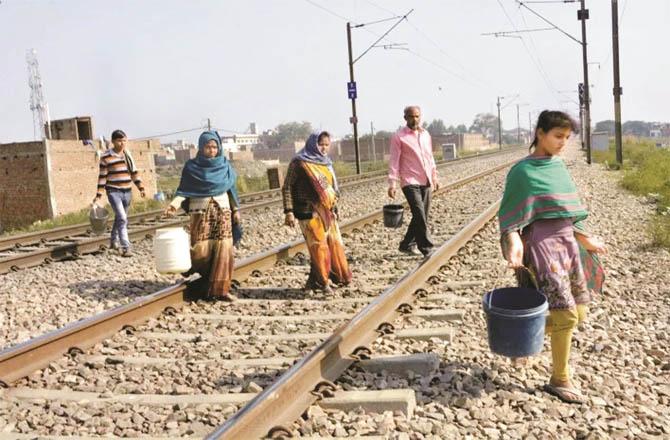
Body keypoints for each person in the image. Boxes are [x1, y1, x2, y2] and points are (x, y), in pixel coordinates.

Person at [499, 110, 606, 404]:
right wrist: (513, 242)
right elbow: (508, 217)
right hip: (542, 245)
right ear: (540, 133)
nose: (562, 143)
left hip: (568, 243)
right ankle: (559, 379)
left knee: (579, 311)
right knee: (565, 314)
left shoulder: (558, 167)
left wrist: (587, 239)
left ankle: (520, 336)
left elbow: (569, 212)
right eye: (558, 136)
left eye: (566, 138)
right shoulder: (522, 171)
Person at [164, 130, 241, 301]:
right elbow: (184, 189)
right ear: (201, 147)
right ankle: (201, 277)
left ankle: (221, 289)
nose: (211, 151)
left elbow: (231, 190)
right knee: (200, 251)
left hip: (222, 214)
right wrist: (174, 205)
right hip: (200, 214)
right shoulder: (192, 167)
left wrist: (236, 210)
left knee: (224, 251)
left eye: (214, 147)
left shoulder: (225, 166)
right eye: (207, 147)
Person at [282, 131, 352, 293]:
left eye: (327, 144)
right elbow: (287, 187)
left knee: (329, 245)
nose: (324, 148)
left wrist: (335, 208)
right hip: (307, 211)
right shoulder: (299, 162)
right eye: (321, 144)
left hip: (326, 211)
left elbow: (331, 189)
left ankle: (317, 280)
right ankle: (323, 282)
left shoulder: (326, 163)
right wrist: (289, 211)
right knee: (318, 246)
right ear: (313, 144)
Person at [388, 105, 439, 257]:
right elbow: (394, 161)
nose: (414, 119)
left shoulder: (425, 135)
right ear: (405, 118)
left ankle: (407, 244)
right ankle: (427, 248)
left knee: (422, 214)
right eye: (411, 116)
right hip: (409, 181)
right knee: (419, 213)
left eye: (417, 116)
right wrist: (392, 183)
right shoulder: (399, 137)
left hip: (426, 179)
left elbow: (430, 158)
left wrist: (435, 177)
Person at [93, 129, 145, 257]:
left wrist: (141, 188)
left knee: (120, 218)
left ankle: (113, 241)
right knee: (122, 218)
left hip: (127, 191)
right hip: (113, 191)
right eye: (119, 141)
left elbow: (134, 173)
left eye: (124, 140)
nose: (122, 143)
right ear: (113, 142)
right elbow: (102, 176)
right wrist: (98, 194)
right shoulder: (106, 157)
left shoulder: (127, 156)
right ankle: (126, 247)